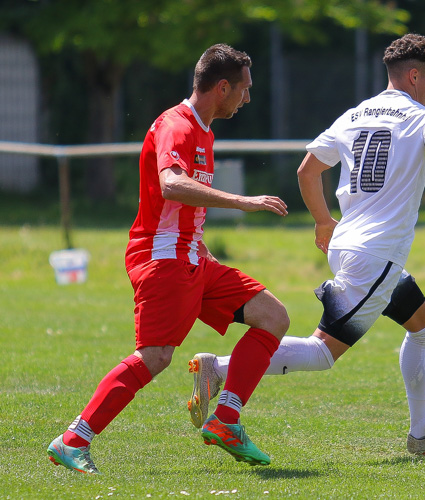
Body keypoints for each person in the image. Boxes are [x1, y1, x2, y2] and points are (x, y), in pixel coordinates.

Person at [187, 33, 425, 456]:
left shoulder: (355, 115)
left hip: (353, 247)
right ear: (414, 76)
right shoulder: (424, 118)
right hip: (376, 256)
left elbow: (308, 170)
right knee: (323, 353)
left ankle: (423, 429)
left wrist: (324, 222)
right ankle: (219, 369)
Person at [47, 44, 289, 474]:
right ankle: (72, 440)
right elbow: (172, 185)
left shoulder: (205, 130)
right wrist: (243, 201)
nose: (247, 98)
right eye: (244, 90)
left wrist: (204, 247)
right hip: (163, 259)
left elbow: (185, 209)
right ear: (222, 87)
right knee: (155, 356)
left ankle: (227, 421)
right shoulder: (176, 126)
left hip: (192, 256)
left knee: (273, 315)